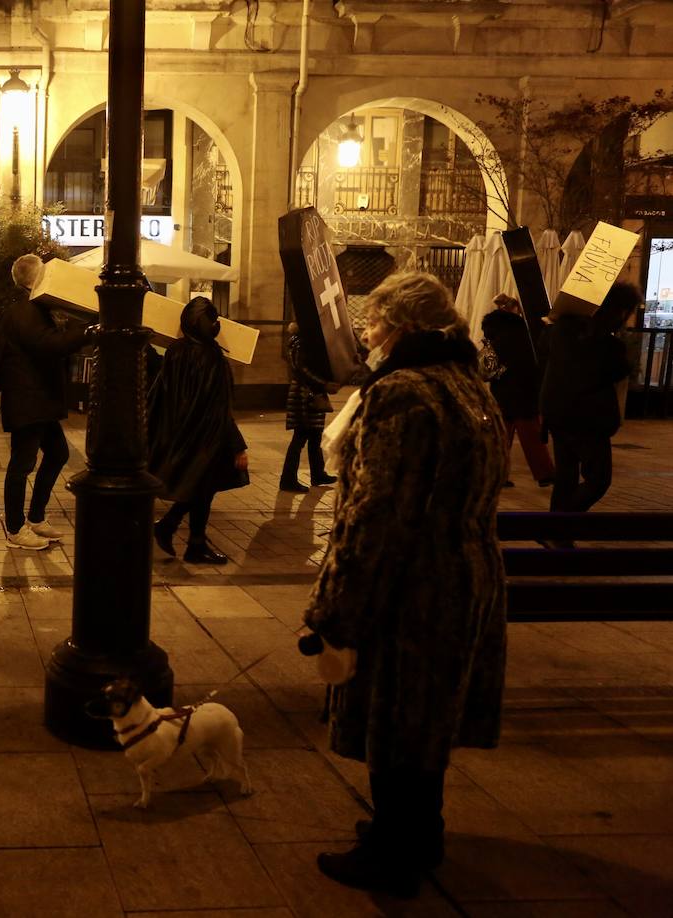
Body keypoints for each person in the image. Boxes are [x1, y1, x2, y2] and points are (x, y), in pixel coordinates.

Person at [305, 272, 507, 898]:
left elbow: (377, 511)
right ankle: (420, 832)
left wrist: (334, 607)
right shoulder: (469, 385)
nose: (365, 333)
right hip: (466, 576)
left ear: (400, 327)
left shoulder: (401, 394)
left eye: (372, 321)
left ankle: (394, 853)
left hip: (410, 589)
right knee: (428, 720)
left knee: (396, 720)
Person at [147, 296, 249, 565]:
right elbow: (219, 405)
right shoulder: (211, 356)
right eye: (213, 320)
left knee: (200, 485)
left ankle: (185, 536)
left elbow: (160, 393)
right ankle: (188, 540)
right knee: (202, 485)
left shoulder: (175, 350)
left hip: (180, 433)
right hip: (206, 436)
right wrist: (237, 444)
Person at [0, 254, 87, 550]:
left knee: (58, 453)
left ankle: (35, 518)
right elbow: (50, 345)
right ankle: (14, 528)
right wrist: (85, 332)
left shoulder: (35, 309)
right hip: (28, 401)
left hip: (39, 401)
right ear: (34, 278)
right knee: (22, 464)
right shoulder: (24, 312)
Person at [540, 282, 640, 516]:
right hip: (588, 420)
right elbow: (620, 370)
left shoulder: (559, 331)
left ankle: (557, 537)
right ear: (621, 311)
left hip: (557, 413)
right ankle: (559, 525)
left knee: (566, 478)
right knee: (599, 479)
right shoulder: (607, 344)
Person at [481, 294, 552, 488]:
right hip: (523, 391)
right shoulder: (523, 335)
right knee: (531, 435)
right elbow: (529, 364)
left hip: (501, 391)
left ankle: (497, 475)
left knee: (501, 438)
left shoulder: (492, 335)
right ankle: (544, 472)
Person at [280, 321, 337, 493]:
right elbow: (302, 369)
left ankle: (318, 474)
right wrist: (324, 383)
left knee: (314, 435)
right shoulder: (301, 343)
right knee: (301, 437)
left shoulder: (302, 341)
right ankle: (288, 480)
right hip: (304, 394)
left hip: (310, 393)